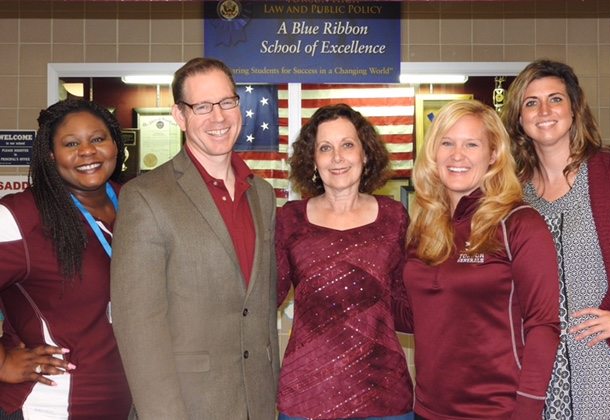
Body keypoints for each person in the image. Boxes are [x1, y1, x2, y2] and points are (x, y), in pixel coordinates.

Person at [110, 57, 279, 420]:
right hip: (186, 407)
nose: (218, 118)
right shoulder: (146, 196)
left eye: (226, 102)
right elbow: (138, 327)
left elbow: (260, 312)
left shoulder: (262, 194)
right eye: (201, 106)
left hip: (258, 404)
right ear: (180, 116)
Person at [404, 99, 560, 420]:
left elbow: (543, 326)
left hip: (496, 411)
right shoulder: (424, 226)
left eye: (471, 144)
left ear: (493, 155)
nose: (456, 155)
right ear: (433, 153)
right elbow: (412, 316)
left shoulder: (519, 223)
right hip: (428, 410)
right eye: (446, 142)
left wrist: (527, 411)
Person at [502, 59, 610, 420]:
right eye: (531, 103)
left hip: (604, 367)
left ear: (574, 108)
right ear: (519, 118)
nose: (544, 111)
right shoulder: (513, 194)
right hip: (535, 375)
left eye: (555, 99)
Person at [276, 103, 414, 420]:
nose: (337, 157)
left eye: (347, 145)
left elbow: (409, 307)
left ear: (365, 155)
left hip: (383, 394)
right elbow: (264, 296)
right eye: (325, 148)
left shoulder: (394, 217)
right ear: (313, 160)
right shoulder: (290, 219)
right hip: (307, 395)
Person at [0, 99, 132, 419]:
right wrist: (2, 362)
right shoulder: (20, 216)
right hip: (52, 405)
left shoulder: (135, 204)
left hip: (126, 402)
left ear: (116, 143)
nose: (87, 151)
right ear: (50, 154)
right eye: (71, 143)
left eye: (98, 139)